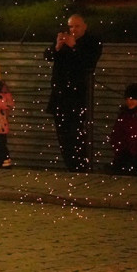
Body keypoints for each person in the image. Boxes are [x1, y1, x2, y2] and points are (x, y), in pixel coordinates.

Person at [44, 14, 102, 171]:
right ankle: (71, 169)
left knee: (77, 136)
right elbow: (48, 56)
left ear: (85, 26)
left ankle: (81, 170)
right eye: (70, 26)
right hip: (60, 97)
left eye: (76, 26)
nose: (73, 30)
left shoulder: (92, 41)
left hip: (77, 98)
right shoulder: (64, 40)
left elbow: (89, 62)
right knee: (63, 138)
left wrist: (74, 46)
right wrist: (57, 46)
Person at [109, 84, 137, 175]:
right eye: (127, 99)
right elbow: (116, 134)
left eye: (132, 99)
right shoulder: (124, 115)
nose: (129, 102)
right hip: (124, 158)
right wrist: (120, 149)